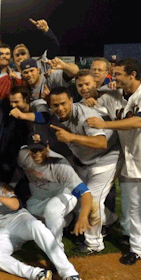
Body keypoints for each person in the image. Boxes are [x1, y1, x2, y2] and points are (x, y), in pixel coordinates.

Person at [85, 57, 141, 270]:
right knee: (135, 209)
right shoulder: (113, 94)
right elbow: (95, 96)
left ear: (132, 75)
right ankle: (137, 249)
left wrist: (106, 123)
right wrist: (91, 96)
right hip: (132, 161)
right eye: (113, 74)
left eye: (117, 74)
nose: (113, 78)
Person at [47, 87, 120, 253]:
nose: (60, 108)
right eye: (55, 105)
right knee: (79, 198)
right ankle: (110, 219)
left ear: (71, 101)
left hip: (107, 157)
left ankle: (94, 244)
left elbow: (101, 142)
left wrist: (71, 138)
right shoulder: (57, 117)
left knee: (93, 199)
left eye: (63, 103)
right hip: (86, 161)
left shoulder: (84, 115)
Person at [14, 131, 92, 250]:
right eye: (34, 150)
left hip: (63, 195)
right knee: (31, 220)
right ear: (28, 149)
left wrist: (83, 216)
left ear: (48, 147)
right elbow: (19, 172)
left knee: (52, 210)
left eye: (41, 149)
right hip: (38, 199)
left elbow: (85, 193)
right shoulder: (23, 155)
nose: (37, 154)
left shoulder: (60, 164)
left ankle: (56, 249)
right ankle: (67, 220)